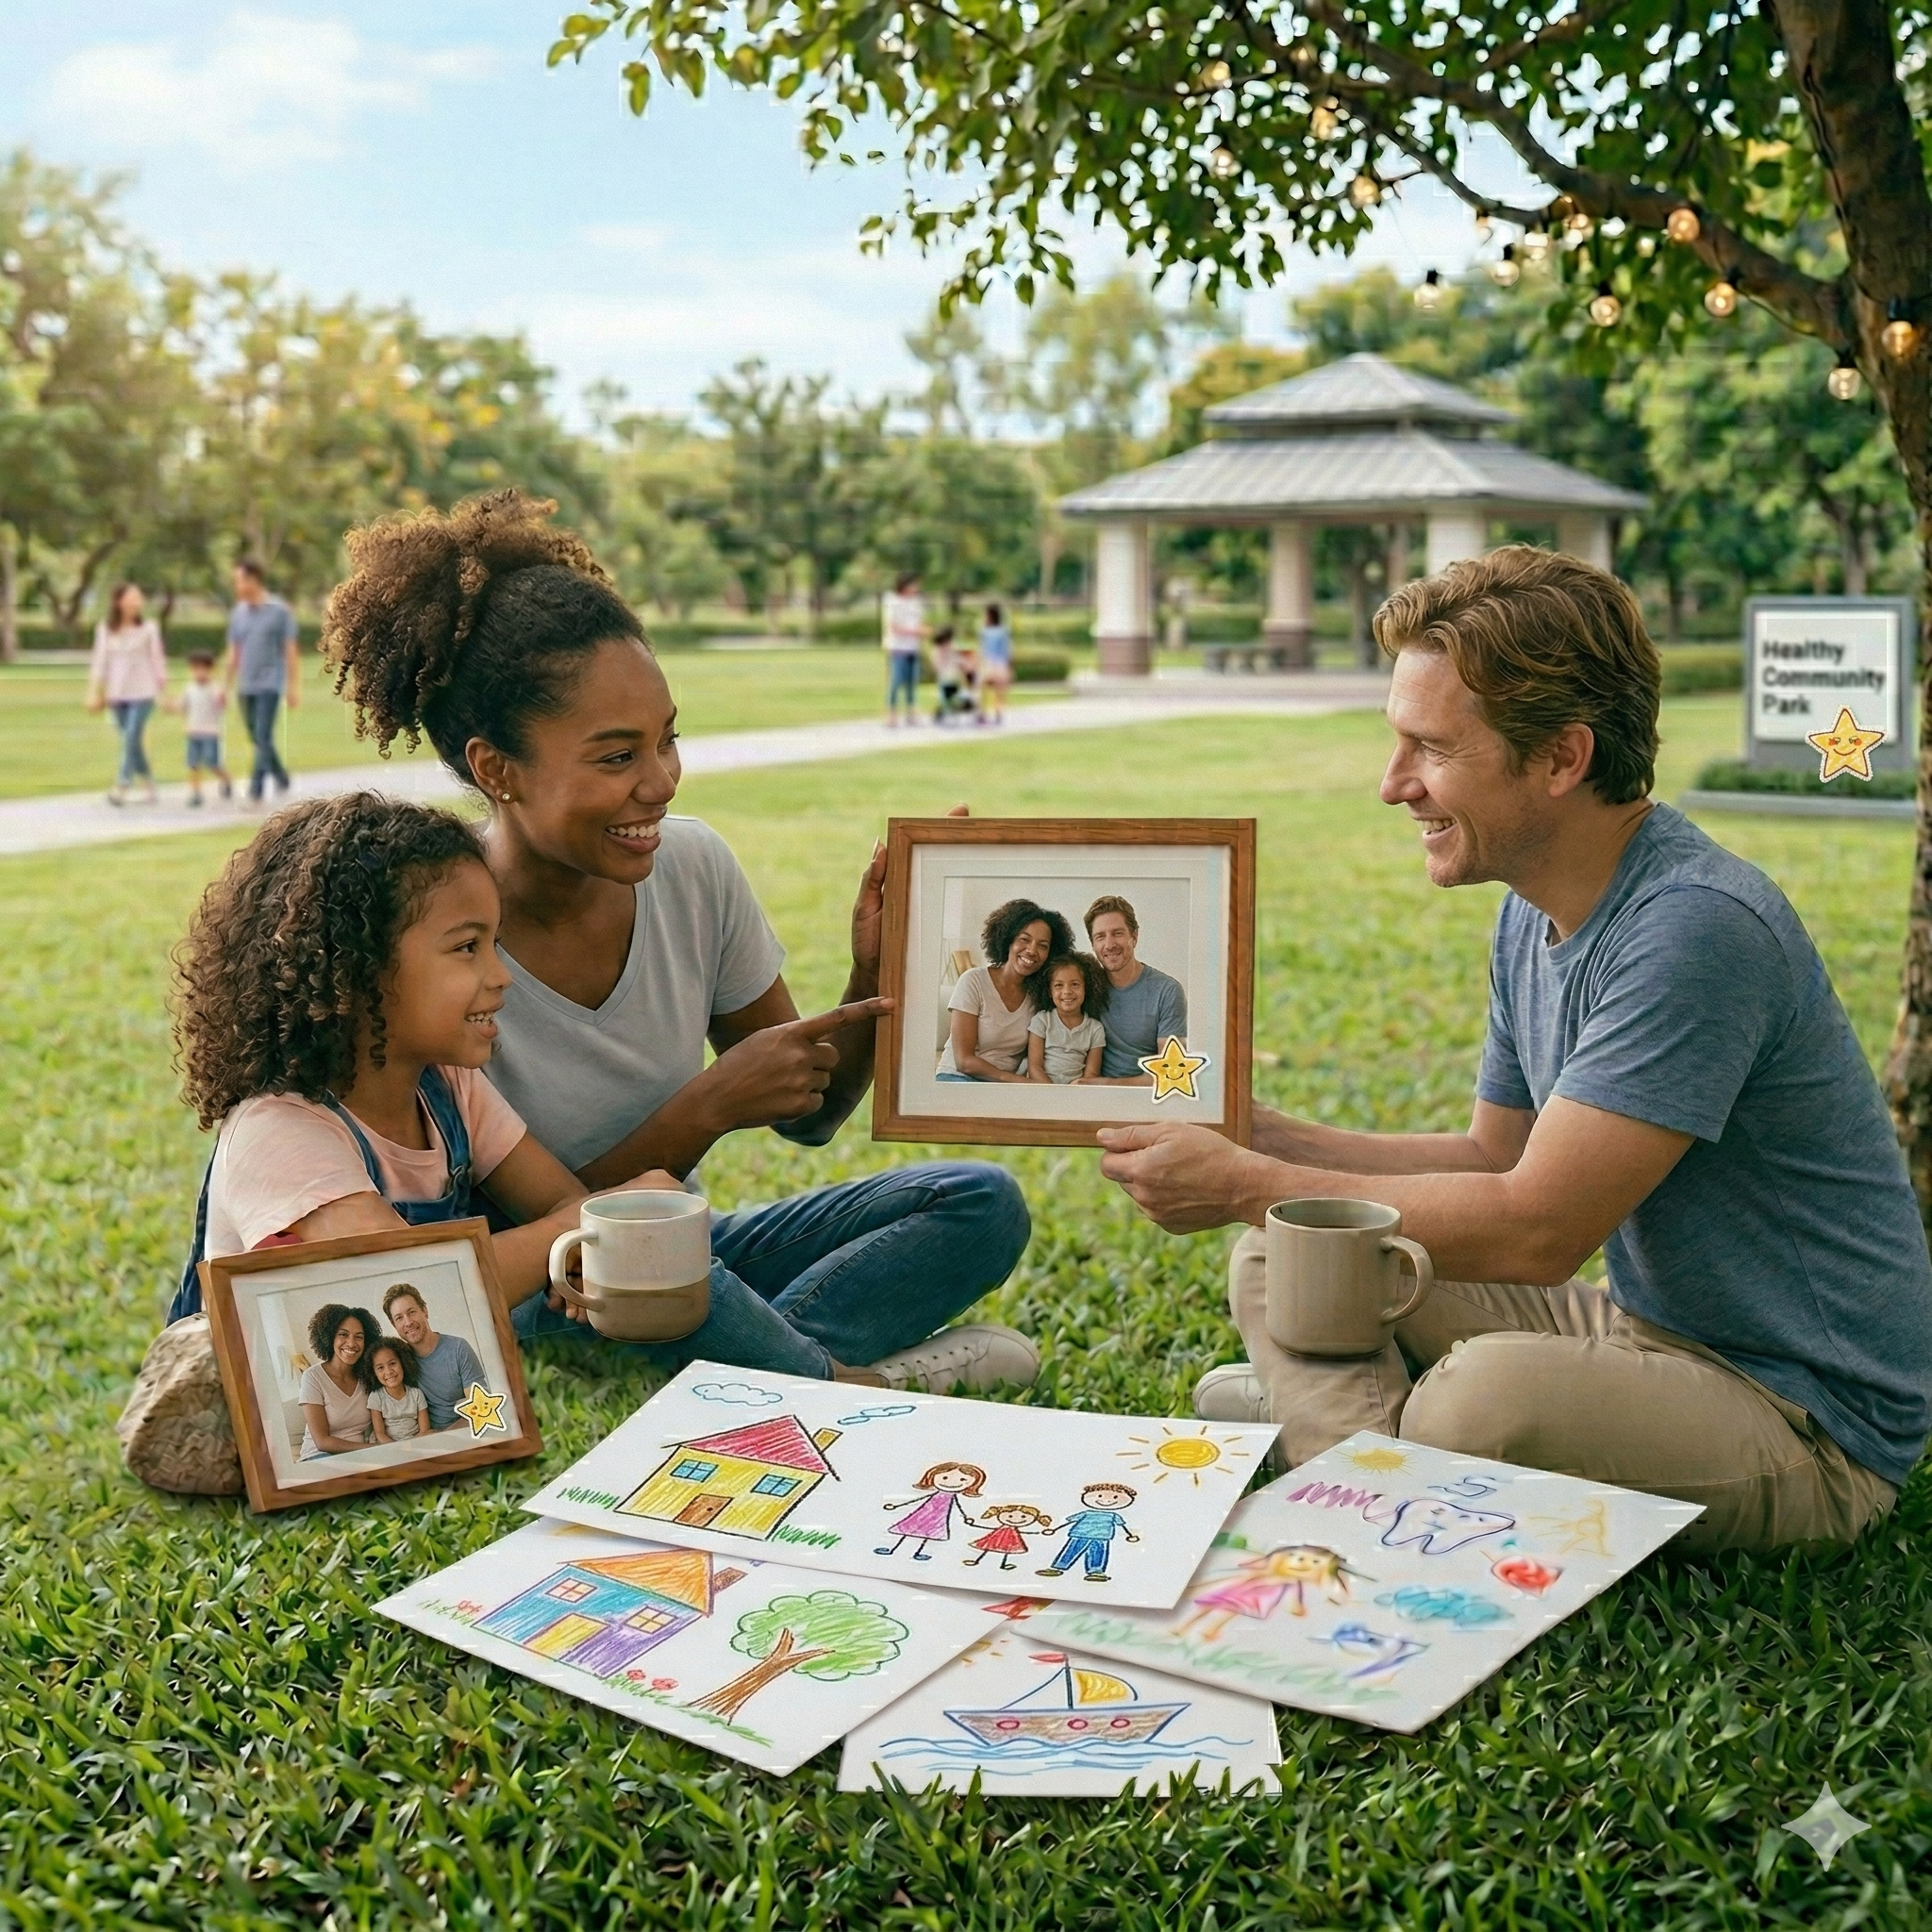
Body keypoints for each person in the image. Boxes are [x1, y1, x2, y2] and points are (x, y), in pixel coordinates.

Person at [1100, 545, 1932, 1555]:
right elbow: (1492, 1157)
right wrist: (1261, 1134)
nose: (1390, 784)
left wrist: (1242, 1179)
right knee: (1286, 1250)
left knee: (1473, 1404)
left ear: (1559, 757)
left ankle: (1346, 1456)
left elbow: (1536, 1230)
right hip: (1636, 1334)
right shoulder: (1530, 912)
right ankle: (1366, 1450)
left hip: (1803, 1419)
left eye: (1430, 748)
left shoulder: (1692, 927)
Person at [321, 490, 1036, 1392]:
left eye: (667, 741)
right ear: (497, 770)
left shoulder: (691, 866)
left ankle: (761, 1362)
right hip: (553, 1283)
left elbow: (810, 1117)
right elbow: (520, 1228)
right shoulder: (436, 933)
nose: (659, 782)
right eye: (616, 757)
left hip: (683, 1259)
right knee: (632, 1285)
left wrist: (875, 968)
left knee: (978, 1204)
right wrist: (701, 1110)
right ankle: (847, 1383)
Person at [168, 793, 679, 1333]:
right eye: (467, 948)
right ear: (359, 970)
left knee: (714, 1268)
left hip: (405, 1390)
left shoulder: (446, 1087)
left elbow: (557, 1199)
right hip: (298, 1411)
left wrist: (581, 1242)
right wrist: (588, 1228)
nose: (500, 974)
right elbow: (415, 1295)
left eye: (494, 943)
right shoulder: (279, 1130)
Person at [937, 899, 1071, 1082]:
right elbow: (964, 1062)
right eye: (1024, 939)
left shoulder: (1040, 996)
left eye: (1043, 946)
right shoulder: (973, 980)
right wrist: (1021, 1083)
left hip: (1003, 1087)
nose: (1032, 950)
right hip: (958, 1078)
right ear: (1008, 940)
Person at [1083, 895, 1189, 1082]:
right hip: (1092, 1098)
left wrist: (1108, 1085)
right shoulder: (1085, 987)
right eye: (1100, 936)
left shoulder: (1167, 991)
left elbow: (1171, 1075)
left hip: (1146, 1100)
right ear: (1092, 944)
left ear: (1134, 936)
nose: (1109, 945)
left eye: (1117, 933)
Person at [225, 557, 300, 803]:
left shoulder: (279, 611)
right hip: (246, 685)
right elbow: (234, 652)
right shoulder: (238, 614)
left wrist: (293, 686)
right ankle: (280, 775)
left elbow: (289, 650)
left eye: (240, 581)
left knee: (263, 735)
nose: (237, 587)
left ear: (254, 580)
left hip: (270, 683)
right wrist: (225, 686)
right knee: (257, 737)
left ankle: (255, 788)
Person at [86, 583, 167, 807]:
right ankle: (149, 783)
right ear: (119, 602)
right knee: (131, 743)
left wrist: (164, 691)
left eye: (139, 598)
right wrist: (94, 691)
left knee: (132, 736)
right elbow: (100, 662)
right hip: (116, 695)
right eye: (132, 598)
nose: (136, 603)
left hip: (143, 692)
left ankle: (121, 786)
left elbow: (157, 661)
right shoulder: (105, 629)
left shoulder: (149, 628)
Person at [382, 1282, 486, 1431]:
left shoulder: (458, 1349)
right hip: (423, 1439)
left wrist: (441, 1438)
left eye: (412, 1312)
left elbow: (481, 1411)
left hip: (464, 1434)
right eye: (399, 1318)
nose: (408, 1322)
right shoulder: (398, 1361)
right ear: (394, 1325)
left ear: (425, 1311)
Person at [298, 1305, 377, 1457]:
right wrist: (371, 1449)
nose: (351, 1343)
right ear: (330, 1336)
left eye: (359, 1337)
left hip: (359, 1456)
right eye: (343, 1334)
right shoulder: (312, 1377)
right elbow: (322, 1442)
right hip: (318, 1456)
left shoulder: (368, 1376)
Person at [1025, 952, 1109, 1084]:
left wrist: (1075, 1093)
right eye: (1059, 985)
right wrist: (1053, 1093)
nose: (1067, 991)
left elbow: (1091, 1074)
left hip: (1078, 1092)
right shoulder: (1041, 1021)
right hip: (1043, 1089)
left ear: (1086, 988)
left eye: (1075, 984)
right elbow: (1035, 1068)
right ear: (1049, 991)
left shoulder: (1095, 1028)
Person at [1038, 1481, 1139, 1582]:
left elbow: (1122, 1526)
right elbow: (1069, 1521)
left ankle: (1096, 1571)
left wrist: (1130, 1535)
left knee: (1098, 1554)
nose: (1106, 1500)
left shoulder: (1113, 1516)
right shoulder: (1087, 1513)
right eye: (1099, 1496)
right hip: (1080, 1534)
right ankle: (1057, 1567)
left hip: (1102, 1537)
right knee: (1071, 1551)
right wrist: (1055, 1529)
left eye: (1115, 1497)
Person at [177, 650, 232, 806]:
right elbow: (182, 706)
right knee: (193, 764)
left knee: (212, 763)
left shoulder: (214, 689)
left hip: (210, 733)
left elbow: (221, 704)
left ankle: (226, 779)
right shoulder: (189, 689)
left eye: (203, 669)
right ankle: (195, 793)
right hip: (193, 732)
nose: (199, 673)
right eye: (195, 669)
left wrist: (223, 697)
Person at [365, 1336, 429, 1443]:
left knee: (434, 1434)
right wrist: (397, 1449)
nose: (389, 1371)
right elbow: (380, 1433)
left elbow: (424, 1430)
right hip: (388, 1446)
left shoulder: (416, 1394)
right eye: (380, 1368)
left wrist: (411, 1447)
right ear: (374, 1373)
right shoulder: (376, 1397)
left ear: (403, 1363)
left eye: (392, 1363)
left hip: (416, 1443)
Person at [882, 572, 924, 726]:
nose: (916, 588)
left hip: (913, 647)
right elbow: (892, 626)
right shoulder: (893, 602)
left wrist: (922, 631)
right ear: (905, 585)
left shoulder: (916, 603)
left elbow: (918, 622)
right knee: (896, 681)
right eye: (913, 585)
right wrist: (914, 632)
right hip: (897, 647)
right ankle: (891, 713)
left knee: (912, 681)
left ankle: (911, 712)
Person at [977, 602, 1012, 726]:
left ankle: (982, 712)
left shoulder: (985, 631)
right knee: (998, 690)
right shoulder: (1003, 631)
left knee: (982, 687)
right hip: (999, 663)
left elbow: (983, 649)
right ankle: (997, 712)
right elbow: (1006, 650)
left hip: (989, 662)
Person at [931, 626, 963, 724]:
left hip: (950, 678)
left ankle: (946, 711)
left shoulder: (948, 648)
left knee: (950, 698)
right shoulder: (940, 650)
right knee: (948, 698)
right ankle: (944, 711)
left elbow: (958, 661)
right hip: (946, 678)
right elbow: (937, 665)